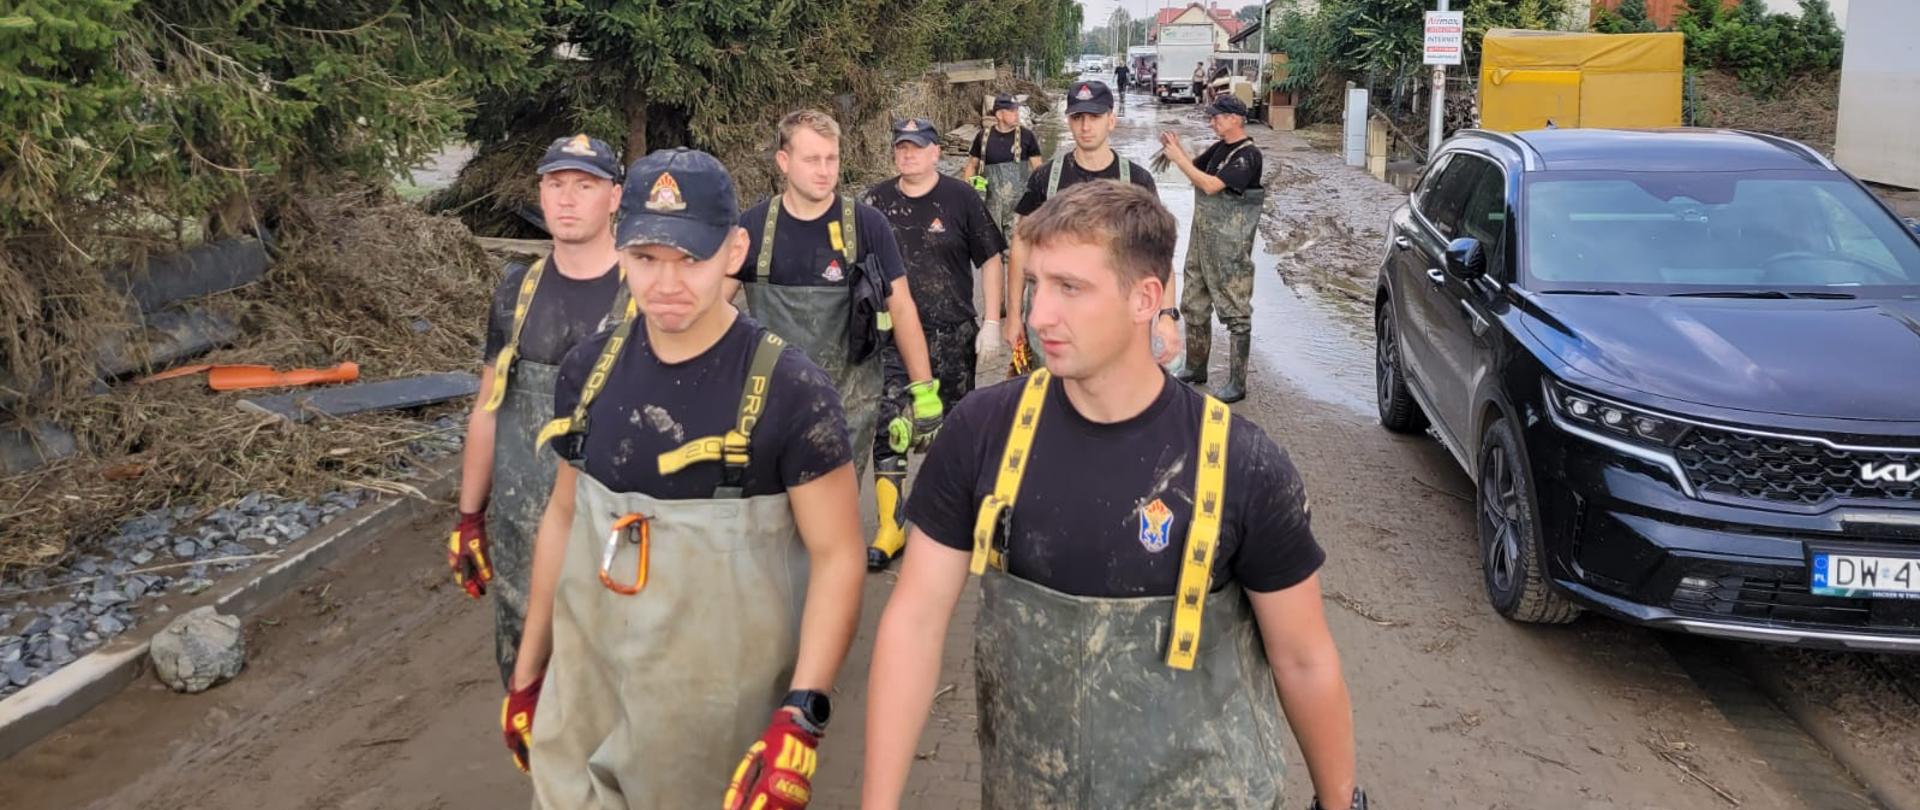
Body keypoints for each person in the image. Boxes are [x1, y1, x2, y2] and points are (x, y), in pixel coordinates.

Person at [860, 181, 1366, 810]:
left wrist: (1339, 800)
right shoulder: (981, 434)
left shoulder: (1241, 464)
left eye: (1071, 288)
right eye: (1037, 283)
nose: (1040, 315)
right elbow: (913, 622)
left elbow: (1304, 660)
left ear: (1144, 299)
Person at [504, 148, 866, 809]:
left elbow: (838, 556)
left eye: (690, 260)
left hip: (713, 721)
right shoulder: (587, 373)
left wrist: (803, 713)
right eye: (646, 259)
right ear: (620, 252)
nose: (666, 283)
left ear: (733, 251)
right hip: (586, 696)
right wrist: (529, 675)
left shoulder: (790, 392)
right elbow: (562, 517)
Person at [450, 133, 630, 689]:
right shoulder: (515, 293)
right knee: (527, 678)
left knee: (611, 680)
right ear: (541, 194)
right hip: (523, 533)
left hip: (614, 537)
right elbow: (488, 405)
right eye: (556, 185)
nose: (568, 199)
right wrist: (469, 515)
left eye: (585, 185)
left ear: (615, 198)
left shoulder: (646, 294)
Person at [736, 109, 945, 487]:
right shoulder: (753, 229)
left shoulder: (866, 224)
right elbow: (711, 310)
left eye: (832, 158)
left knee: (834, 520)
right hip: (772, 406)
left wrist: (924, 388)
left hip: (847, 408)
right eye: (812, 159)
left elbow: (901, 305)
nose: (825, 170)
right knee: (774, 522)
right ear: (783, 161)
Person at [860, 118, 1009, 571]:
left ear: (935, 152)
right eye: (901, 148)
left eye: (916, 147)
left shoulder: (960, 197)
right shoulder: (874, 202)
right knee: (890, 426)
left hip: (952, 334)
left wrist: (992, 322)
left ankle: (949, 520)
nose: (907, 155)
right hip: (890, 339)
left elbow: (991, 258)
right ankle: (890, 524)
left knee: (952, 429)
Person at [1002, 80, 1178, 368]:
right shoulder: (1046, 179)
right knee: (1050, 399)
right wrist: (1013, 317)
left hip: (1115, 317)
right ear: (1068, 121)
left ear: (1111, 120)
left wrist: (1167, 316)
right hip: (1054, 316)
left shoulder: (1136, 181)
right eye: (1078, 118)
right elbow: (1021, 244)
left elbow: (1158, 255)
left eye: (1094, 117)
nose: (1085, 126)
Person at [1161, 95, 1267, 403]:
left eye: (1217, 117)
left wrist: (1177, 159)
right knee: (1193, 302)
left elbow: (1210, 186)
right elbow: (1197, 171)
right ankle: (1196, 367)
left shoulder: (1248, 156)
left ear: (1236, 118)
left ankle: (1237, 382)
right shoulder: (1222, 149)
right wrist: (1176, 149)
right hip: (1203, 239)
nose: (1212, 121)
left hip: (1230, 245)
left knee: (1235, 309)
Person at [961, 95, 1043, 265]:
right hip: (990, 208)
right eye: (1012, 111)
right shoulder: (983, 137)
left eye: (1017, 110)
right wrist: (976, 190)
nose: (1017, 114)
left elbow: (1039, 172)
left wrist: (1039, 203)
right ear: (999, 114)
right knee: (991, 257)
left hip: (1018, 208)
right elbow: (971, 167)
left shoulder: (1027, 137)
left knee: (1018, 256)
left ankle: (1016, 290)